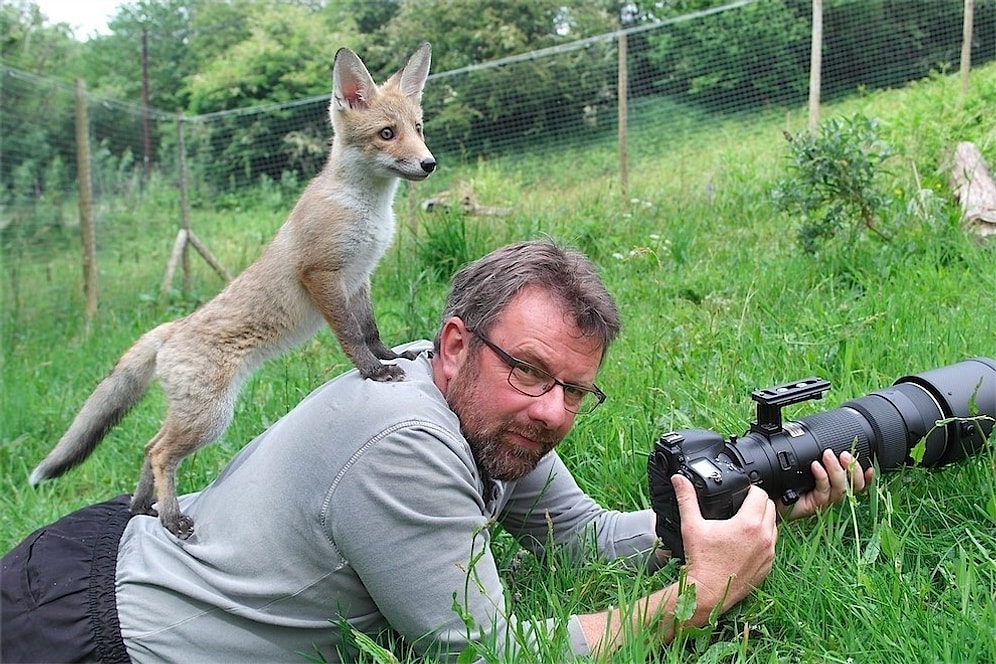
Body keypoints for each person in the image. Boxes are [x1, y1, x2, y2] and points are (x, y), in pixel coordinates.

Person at [2, 239, 871, 663]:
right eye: (531, 372)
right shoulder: (405, 442)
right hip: (98, 639)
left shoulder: (484, 409)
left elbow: (573, 535)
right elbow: (492, 652)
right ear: (456, 344)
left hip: (108, 554)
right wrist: (697, 597)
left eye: (575, 388)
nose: (554, 411)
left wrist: (717, 516)